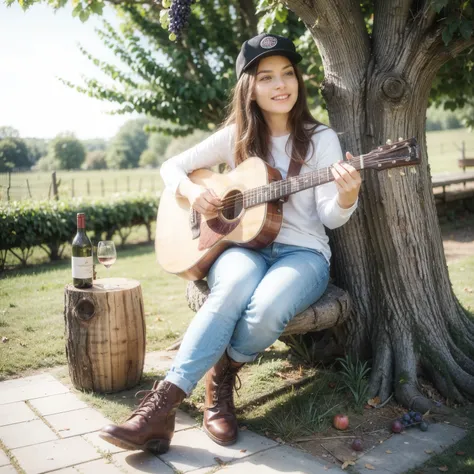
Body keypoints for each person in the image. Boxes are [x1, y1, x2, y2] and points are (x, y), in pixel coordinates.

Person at [99, 32, 361, 454]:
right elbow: (172, 168)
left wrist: (346, 195)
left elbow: (330, 215)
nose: (281, 86)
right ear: (250, 89)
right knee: (233, 288)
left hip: (305, 253)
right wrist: (190, 191)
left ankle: (220, 376)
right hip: (242, 247)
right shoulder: (237, 135)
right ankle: (157, 411)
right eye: (266, 77)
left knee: (268, 308)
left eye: (287, 74)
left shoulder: (321, 139)